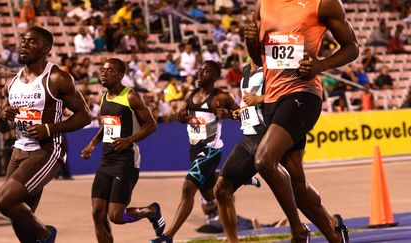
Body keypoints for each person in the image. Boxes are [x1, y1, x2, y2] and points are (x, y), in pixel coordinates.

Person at [245, 0, 359, 242]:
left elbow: (352, 47)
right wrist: (250, 41)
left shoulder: (324, 4)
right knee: (297, 184)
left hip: (303, 94)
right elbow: (259, 58)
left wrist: (320, 65)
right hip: (272, 99)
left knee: (264, 161)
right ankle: (335, 235)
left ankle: (298, 230)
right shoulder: (263, 4)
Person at [0, 26, 92, 243]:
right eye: (23, 41)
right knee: (20, 216)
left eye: (32, 42)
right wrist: (3, 115)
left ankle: (47, 235)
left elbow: (85, 117)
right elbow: (2, 127)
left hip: (47, 150)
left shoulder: (57, 78)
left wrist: (49, 128)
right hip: (19, 149)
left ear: (46, 48)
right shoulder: (12, 83)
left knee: (5, 201)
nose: (24, 45)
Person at [150, 60, 239, 243]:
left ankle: (168, 236)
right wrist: (181, 117)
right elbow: (181, 114)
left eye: (205, 71)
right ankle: (239, 179)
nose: (200, 73)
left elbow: (242, 115)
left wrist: (230, 115)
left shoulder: (221, 97)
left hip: (210, 150)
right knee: (210, 195)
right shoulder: (191, 94)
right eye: (199, 70)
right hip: (194, 149)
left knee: (187, 188)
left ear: (214, 77)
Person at [81, 58, 165, 243]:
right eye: (102, 70)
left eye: (109, 70)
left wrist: (129, 140)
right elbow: (106, 125)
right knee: (97, 213)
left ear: (120, 75)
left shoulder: (131, 96)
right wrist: (92, 144)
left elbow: (151, 125)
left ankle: (151, 211)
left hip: (125, 161)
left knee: (116, 216)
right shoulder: (104, 98)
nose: (103, 73)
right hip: (106, 159)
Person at [214, 60, 265, 242]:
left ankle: (332, 224)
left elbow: (288, 93)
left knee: (296, 190)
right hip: (249, 137)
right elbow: (248, 103)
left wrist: (259, 99)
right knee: (221, 189)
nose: (249, 38)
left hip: (269, 137)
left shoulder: (272, 65)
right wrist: (236, 113)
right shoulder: (245, 70)